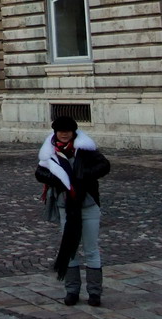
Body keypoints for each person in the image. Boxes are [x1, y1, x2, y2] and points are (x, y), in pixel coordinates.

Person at [35, 116, 110, 306]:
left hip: (87, 204)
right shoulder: (50, 152)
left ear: (74, 132)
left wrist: (82, 176)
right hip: (65, 206)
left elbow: (104, 166)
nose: (65, 134)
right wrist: (56, 179)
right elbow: (39, 173)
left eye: (68, 130)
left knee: (91, 248)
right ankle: (72, 290)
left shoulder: (85, 149)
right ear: (55, 133)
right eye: (61, 130)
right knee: (70, 249)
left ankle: (94, 292)